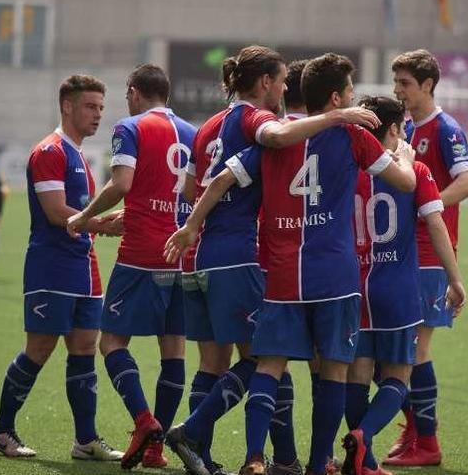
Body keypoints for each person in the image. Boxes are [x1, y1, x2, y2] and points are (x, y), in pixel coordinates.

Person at [165, 53, 417, 475]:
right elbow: (404, 182)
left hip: (281, 271)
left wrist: (191, 226)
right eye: (351, 93)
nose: (355, 101)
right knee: (334, 368)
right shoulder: (353, 135)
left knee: (268, 363)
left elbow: (222, 179)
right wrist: (405, 155)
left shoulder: (273, 139)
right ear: (336, 97)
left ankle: (248, 455)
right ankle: (317, 465)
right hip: (334, 273)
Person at [0, 74, 123, 461]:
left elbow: (80, 214)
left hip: (84, 265)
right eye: (90, 107)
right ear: (67, 106)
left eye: (100, 107)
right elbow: (56, 212)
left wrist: (104, 222)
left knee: (84, 348)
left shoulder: (80, 153)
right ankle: (1, 431)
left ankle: (86, 440)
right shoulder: (50, 151)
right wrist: (103, 224)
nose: (98, 115)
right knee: (40, 348)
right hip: (52, 267)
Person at [66, 64, 197, 469]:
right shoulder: (194, 133)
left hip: (142, 253)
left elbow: (122, 183)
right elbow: (176, 194)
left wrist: (82, 216)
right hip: (182, 252)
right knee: (173, 347)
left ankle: (145, 422)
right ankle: (156, 450)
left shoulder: (131, 126)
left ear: (134, 92)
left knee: (111, 342)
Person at [341, 96, 466, 475]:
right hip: (397, 288)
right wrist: (455, 279)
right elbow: (436, 224)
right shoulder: (416, 172)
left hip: (355, 287)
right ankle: (362, 438)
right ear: (394, 130)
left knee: (357, 376)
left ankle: (365, 461)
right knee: (398, 376)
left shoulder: (348, 169)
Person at [384, 50, 468, 467]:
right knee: (394, 352)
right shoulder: (402, 127)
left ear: (427, 85)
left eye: (405, 83)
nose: (398, 91)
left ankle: (428, 442)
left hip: (428, 254)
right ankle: (414, 430)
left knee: (414, 350)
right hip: (401, 253)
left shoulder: (445, 129)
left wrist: (429, 204)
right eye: (396, 83)